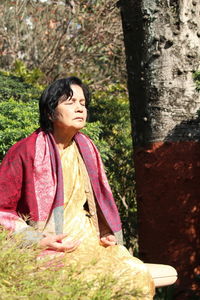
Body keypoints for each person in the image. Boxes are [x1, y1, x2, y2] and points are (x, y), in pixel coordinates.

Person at [0, 77, 154, 299]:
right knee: (83, 282)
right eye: (71, 102)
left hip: (87, 238)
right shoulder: (25, 151)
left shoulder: (87, 148)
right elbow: (3, 209)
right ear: (51, 112)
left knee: (135, 274)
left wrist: (104, 231)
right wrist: (35, 240)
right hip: (49, 243)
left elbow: (95, 202)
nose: (80, 108)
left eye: (83, 103)